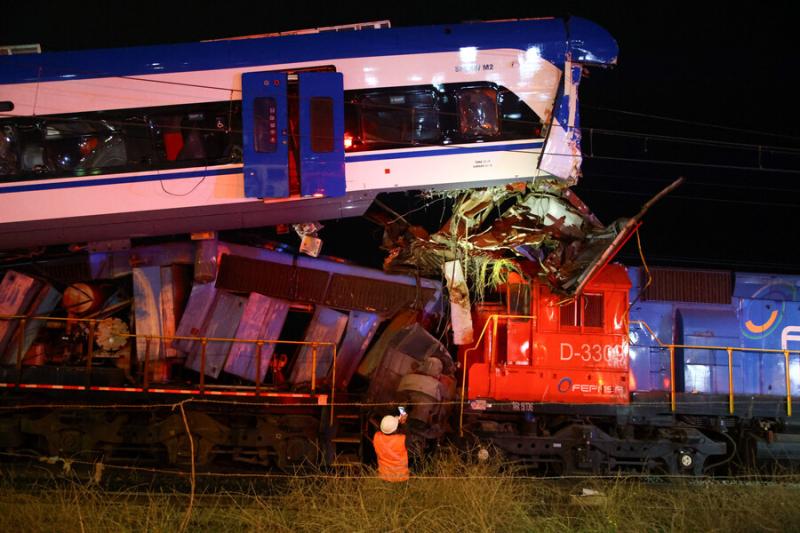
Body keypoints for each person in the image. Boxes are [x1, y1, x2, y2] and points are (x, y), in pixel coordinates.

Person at [373, 411, 409, 482]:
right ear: (395, 429)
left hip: (384, 477)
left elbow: (382, 429)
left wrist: (395, 422)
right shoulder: (402, 439)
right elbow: (407, 433)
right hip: (401, 477)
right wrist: (403, 422)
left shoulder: (376, 437)